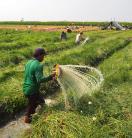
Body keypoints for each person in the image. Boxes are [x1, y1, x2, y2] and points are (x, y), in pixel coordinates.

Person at [23, 48, 56, 123]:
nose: (44, 58)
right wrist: (51, 77)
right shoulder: (38, 65)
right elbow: (40, 80)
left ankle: (44, 114)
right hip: (32, 90)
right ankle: (28, 123)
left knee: (41, 102)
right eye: (43, 56)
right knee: (31, 109)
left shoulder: (28, 62)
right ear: (40, 55)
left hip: (26, 87)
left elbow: (31, 75)